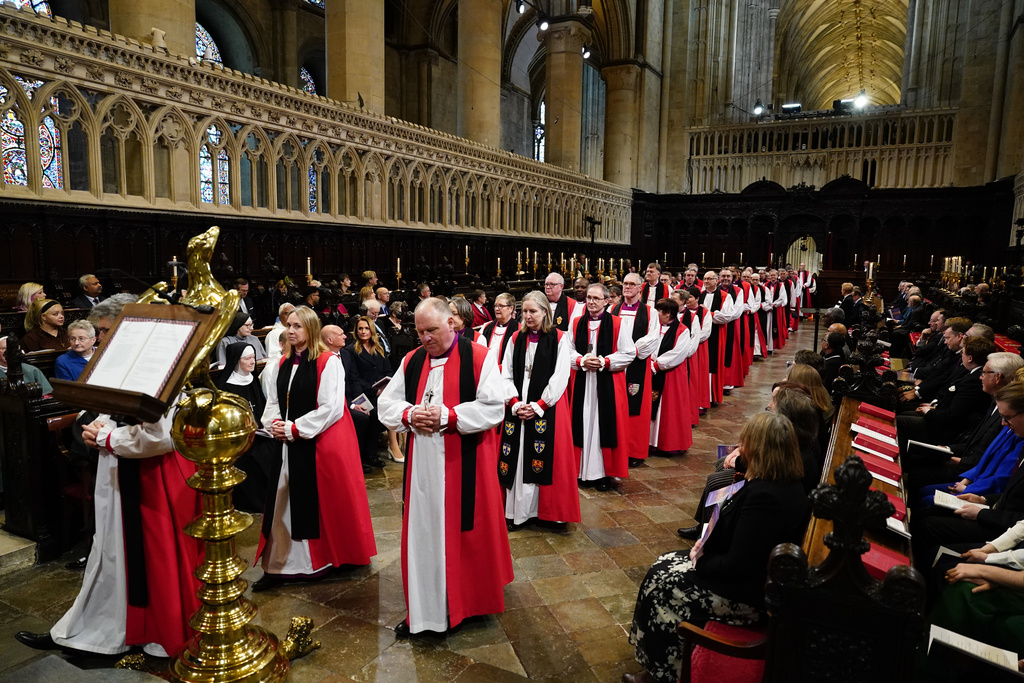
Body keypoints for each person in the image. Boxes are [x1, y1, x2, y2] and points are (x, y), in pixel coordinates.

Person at [15, 396, 201, 658]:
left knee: (152, 558)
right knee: (113, 551)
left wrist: (108, 437)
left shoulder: (165, 371)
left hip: (151, 475)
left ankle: (147, 632)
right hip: (122, 466)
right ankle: (100, 629)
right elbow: (117, 409)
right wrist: (99, 427)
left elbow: (164, 435)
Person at [627, 411, 807, 683]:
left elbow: (738, 564)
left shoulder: (766, 498)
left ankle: (663, 673)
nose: (740, 448)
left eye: (745, 444)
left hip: (745, 596)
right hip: (746, 577)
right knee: (662, 563)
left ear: (761, 450)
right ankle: (659, 662)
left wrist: (701, 561)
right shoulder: (779, 482)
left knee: (664, 585)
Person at [378, 297, 513, 636]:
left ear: (451, 324)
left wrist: (450, 416)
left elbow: (495, 408)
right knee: (425, 534)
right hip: (423, 468)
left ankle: (465, 605)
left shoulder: (479, 357)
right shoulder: (411, 361)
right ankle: (426, 613)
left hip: (463, 463)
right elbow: (386, 405)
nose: (425, 338)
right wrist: (409, 415)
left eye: (432, 330)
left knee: (464, 535)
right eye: (420, 331)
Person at [254, 306, 377, 591]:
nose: (291, 331)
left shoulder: (328, 362)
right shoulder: (279, 364)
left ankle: (314, 562)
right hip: (286, 444)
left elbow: (331, 407)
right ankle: (278, 564)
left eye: (297, 326)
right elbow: (272, 401)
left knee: (314, 504)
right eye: (289, 326)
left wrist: (295, 428)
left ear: (309, 328)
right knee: (282, 502)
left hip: (312, 441)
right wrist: (273, 422)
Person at [498, 291, 580, 530]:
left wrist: (538, 406)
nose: (528, 316)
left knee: (543, 459)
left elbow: (561, 376)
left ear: (546, 312)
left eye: (533, 311)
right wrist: (514, 402)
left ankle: (544, 513)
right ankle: (516, 513)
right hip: (517, 409)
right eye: (524, 311)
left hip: (546, 410)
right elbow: (506, 374)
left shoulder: (560, 338)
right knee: (517, 457)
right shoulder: (515, 338)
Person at [569, 283, 636, 492]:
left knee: (601, 427)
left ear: (607, 301)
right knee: (582, 424)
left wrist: (605, 362)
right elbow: (566, 350)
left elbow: (628, 352)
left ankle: (602, 473)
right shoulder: (577, 322)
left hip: (605, 384)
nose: (591, 302)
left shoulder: (617, 324)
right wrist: (580, 361)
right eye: (589, 298)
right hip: (582, 382)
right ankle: (580, 471)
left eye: (596, 298)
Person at [215, 343, 273, 513]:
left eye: (253, 358)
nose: (252, 362)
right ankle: (255, 502)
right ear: (236, 361)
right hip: (238, 438)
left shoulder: (252, 379)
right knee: (254, 457)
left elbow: (261, 407)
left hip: (260, 432)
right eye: (247, 358)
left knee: (272, 448)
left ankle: (273, 498)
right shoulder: (224, 387)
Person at [612, 273, 660, 468]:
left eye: (632, 284)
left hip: (637, 366)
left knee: (636, 408)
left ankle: (634, 451)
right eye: (625, 283)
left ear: (640, 288)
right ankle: (616, 447)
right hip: (615, 365)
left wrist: (629, 352)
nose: (628, 287)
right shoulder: (612, 309)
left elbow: (652, 337)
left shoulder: (650, 312)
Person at [649, 298, 698, 455]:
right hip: (651, 371)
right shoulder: (653, 327)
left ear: (668, 314)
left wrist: (656, 365)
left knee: (669, 409)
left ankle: (668, 443)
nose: (655, 314)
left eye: (658, 311)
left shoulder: (682, 330)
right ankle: (650, 442)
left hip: (671, 374)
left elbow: (678, 353)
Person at [344, 316, 391, 470]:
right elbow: (354, 377)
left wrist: (385, 387)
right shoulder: (350, 350)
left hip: (380, 393)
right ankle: (363, 456)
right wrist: (373, 390)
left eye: (366, 328)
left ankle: (372, 454)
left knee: (380, 415)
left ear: (372, 330)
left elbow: (387, 371)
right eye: (360, 328)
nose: (364, 331)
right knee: (369, 416)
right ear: (356, 331)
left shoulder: (379, 348)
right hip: (362, 393)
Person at [481, 292, 516, 366]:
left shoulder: (518, 329)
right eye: (495, 306)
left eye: (501, 306)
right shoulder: (486, 327)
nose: (497, 309)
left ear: (510, 308)